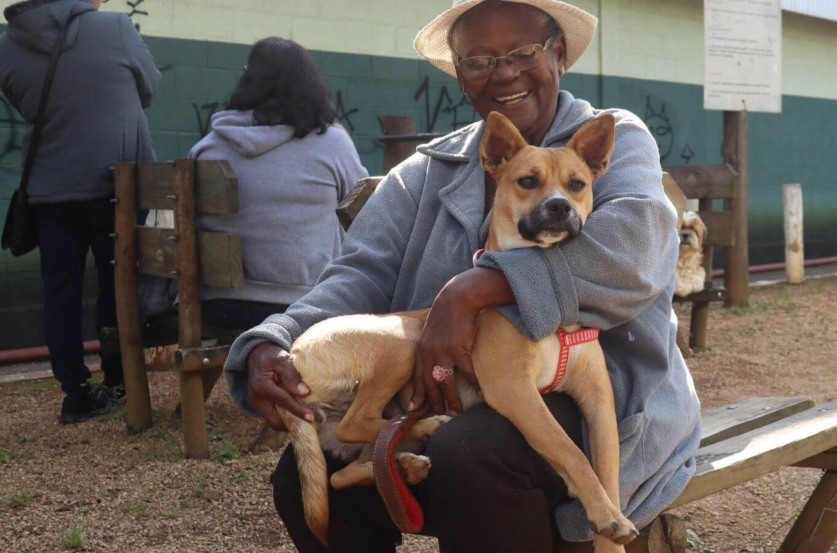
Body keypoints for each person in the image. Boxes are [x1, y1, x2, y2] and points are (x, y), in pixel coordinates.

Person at [223, 1, 701, 551]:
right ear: (459, 73)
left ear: (560, 54)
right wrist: (274, 340)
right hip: (455, 395)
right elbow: (357, 275)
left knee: (469, 458)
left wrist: (472, 290)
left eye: (523, 52)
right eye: (478, 60)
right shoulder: (422, 175)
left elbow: (634, 253)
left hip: (603, 395)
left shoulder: (614, 141)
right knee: (296, 482)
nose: (503, 72)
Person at [0, 0, 160, 423]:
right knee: (117, 284)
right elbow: (149, 89)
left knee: (60, 293)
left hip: (50, 190)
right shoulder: (116, 28)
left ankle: (75, 392)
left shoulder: (6, 45)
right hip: (114, 187)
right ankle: (116, 383)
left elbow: (24, 103)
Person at [188, 37, 368, 330]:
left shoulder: (208, 147)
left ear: (247, 81)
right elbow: (364, 210)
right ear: (310, 84)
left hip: (220, 306)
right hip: (308, 305)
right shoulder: (332, 143)